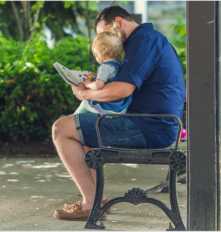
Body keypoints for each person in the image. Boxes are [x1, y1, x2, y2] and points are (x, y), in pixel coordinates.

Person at [52, 5, 186, 221]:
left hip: (150, 126)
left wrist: (85, 95)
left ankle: (89, 204)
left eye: (106, 33)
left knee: (61, 128)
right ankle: (98, 201)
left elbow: (123, 90)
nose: (106, 41)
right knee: (83, 130)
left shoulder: (144, 40)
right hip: (152, 122)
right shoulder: (144, 40)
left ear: (119, 22)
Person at [75, 27, 132, 115]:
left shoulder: (105, 67)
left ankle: (73, 118)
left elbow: (98, 86)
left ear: (99, 52)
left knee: (85, 103)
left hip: (109, 107)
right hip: (120, 106)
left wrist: (88, 83)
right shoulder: (118, 65)